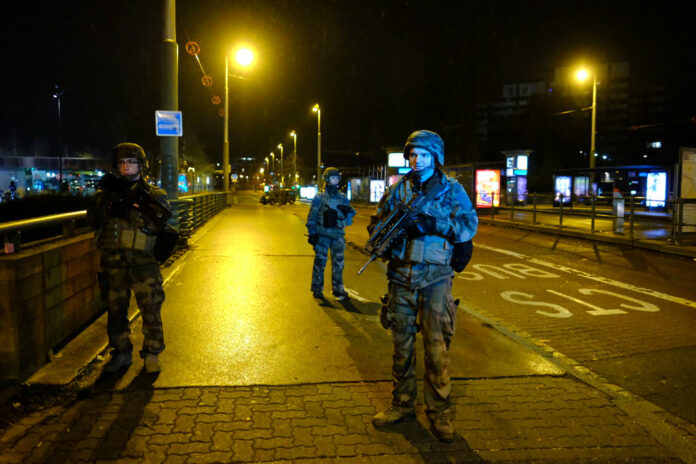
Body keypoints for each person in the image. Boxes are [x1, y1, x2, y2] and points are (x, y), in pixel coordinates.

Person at [368, 130, 477, 442]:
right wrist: (381, 238)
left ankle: (439, 413)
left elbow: (467, 225)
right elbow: (379, 222)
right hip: (400, 276)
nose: (416, 160)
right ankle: (402, 404)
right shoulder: (398, 190)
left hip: (435, 278)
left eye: (424, 155)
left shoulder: (452, 191)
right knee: (401, 347)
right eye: (413, 154)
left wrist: (434, 224)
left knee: (436, 348)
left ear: (436, 158)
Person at [87, 143, 170, 374]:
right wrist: (106, 204)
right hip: (114, 262)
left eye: (131, 162)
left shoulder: (154, 196)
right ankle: (121, 352)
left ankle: (152, 353)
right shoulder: (106, 194)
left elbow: (162, 225)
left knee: (151, 309)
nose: (126, 167)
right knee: (115, 310)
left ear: (141, 165)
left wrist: (133, 209)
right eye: (122, 163)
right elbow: (94, 221)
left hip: (144, 263)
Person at [306, 167, 356, 300]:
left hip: (338, 235)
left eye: (337, 177)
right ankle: (317, 288)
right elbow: (312, 216)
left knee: (339, 264)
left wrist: (348, 211)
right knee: (320, 262)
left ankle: (338, 289)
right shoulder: (320, 197)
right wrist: (312, 233)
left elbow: (349, 220)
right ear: (327, 179)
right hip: (323, 234)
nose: (336, 180)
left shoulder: (343, 198)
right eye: (333, 177)